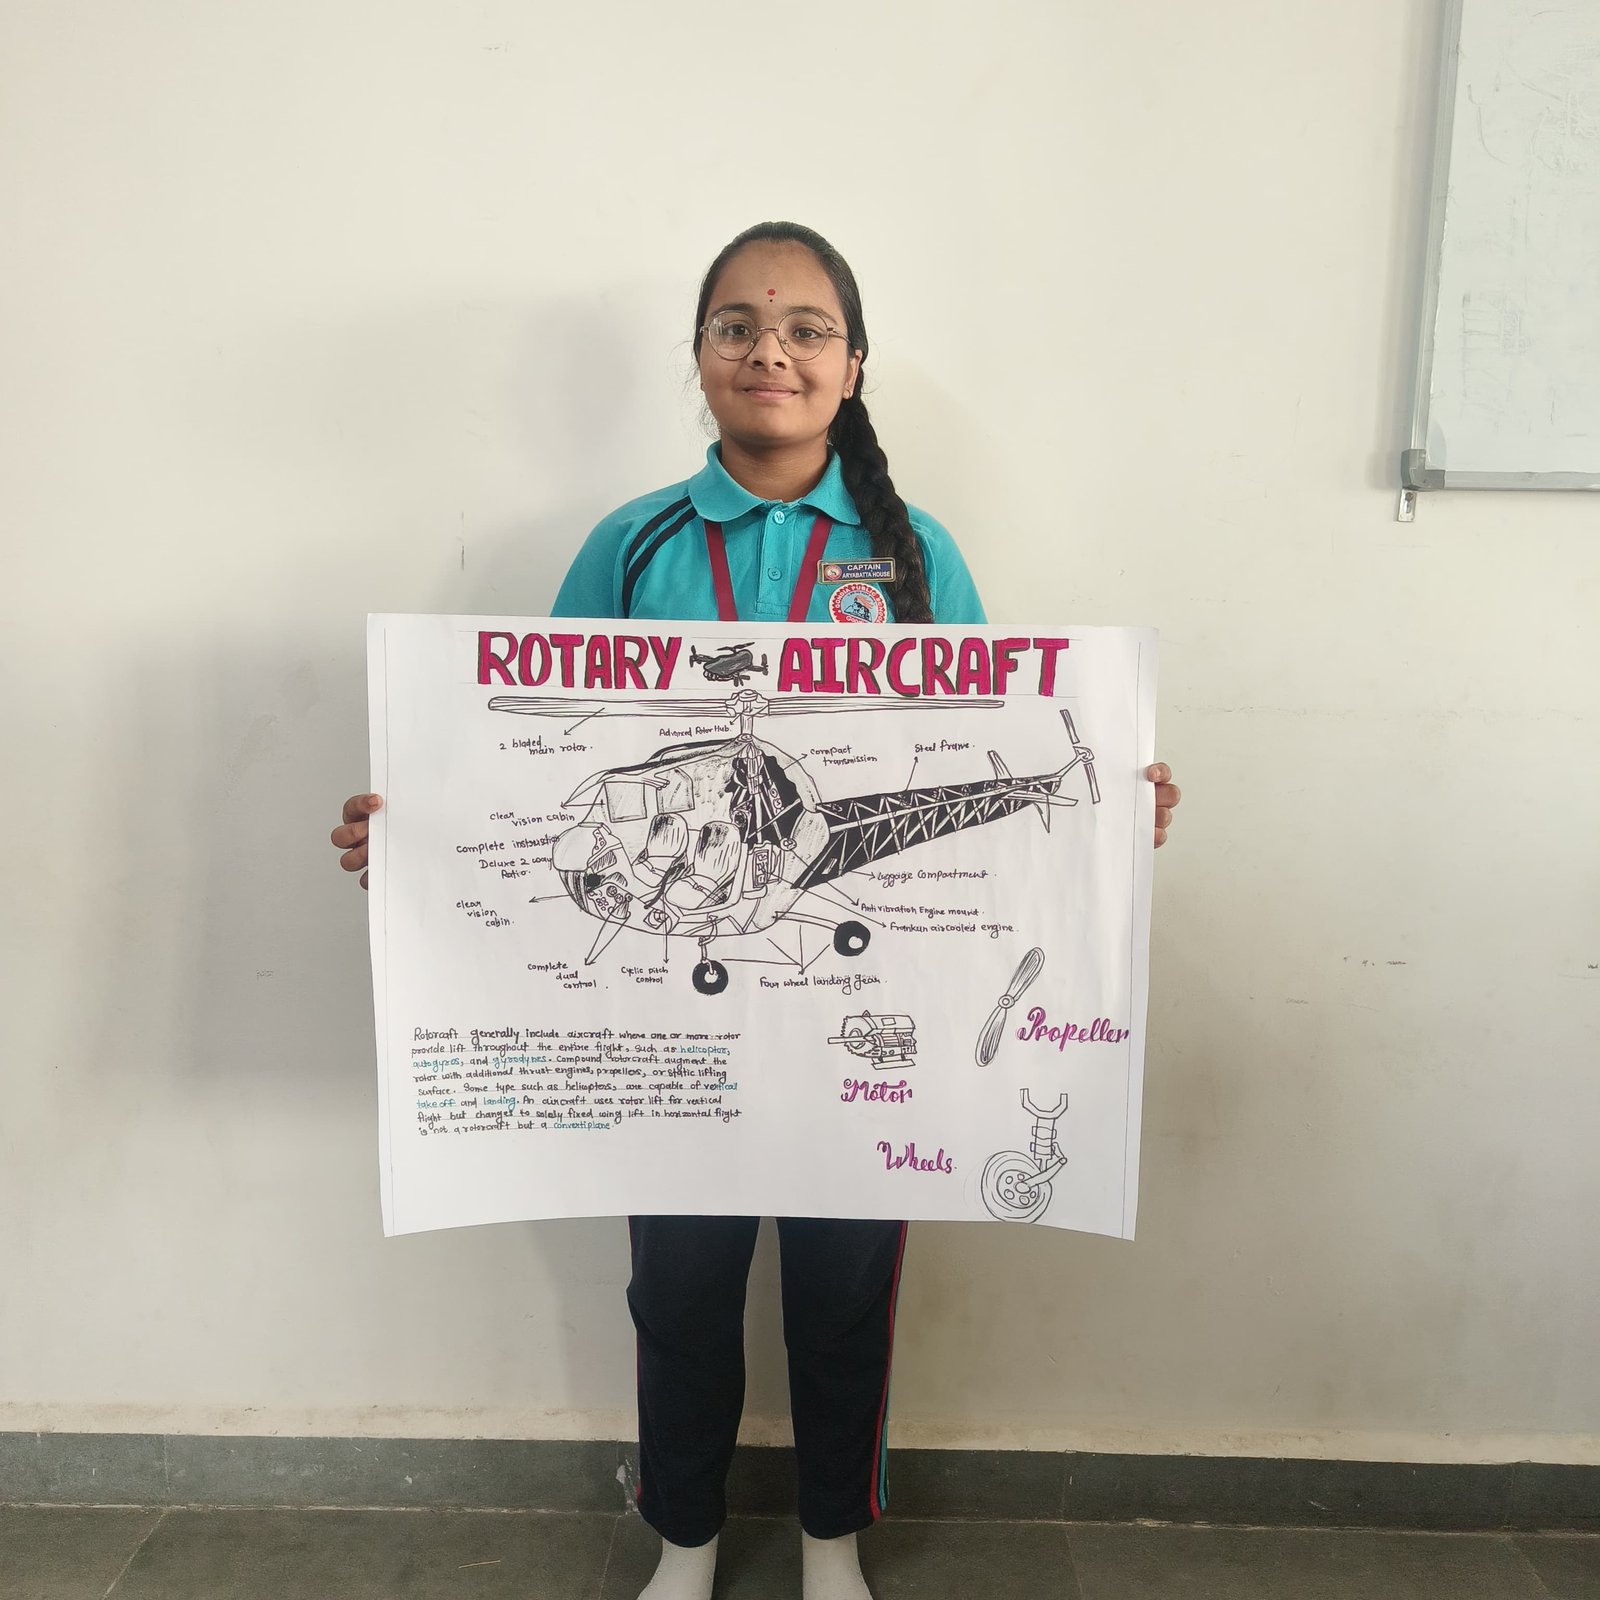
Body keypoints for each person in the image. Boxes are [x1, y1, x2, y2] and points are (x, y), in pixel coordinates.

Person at [332, 222, 1182, 1600]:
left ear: (854, 363)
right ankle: (687, 1533)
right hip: (671, 1035)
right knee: (676, 1293)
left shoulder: (915, 553)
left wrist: (1108, 824)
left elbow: (993, 730)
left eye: (803, 328)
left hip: (865, 1018)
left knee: (845, 1295)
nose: (768, 350)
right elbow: (517, 744)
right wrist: (424, 839)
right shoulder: (633, 546)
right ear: (699, 357)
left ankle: (834, 1536)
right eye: (736, 325)